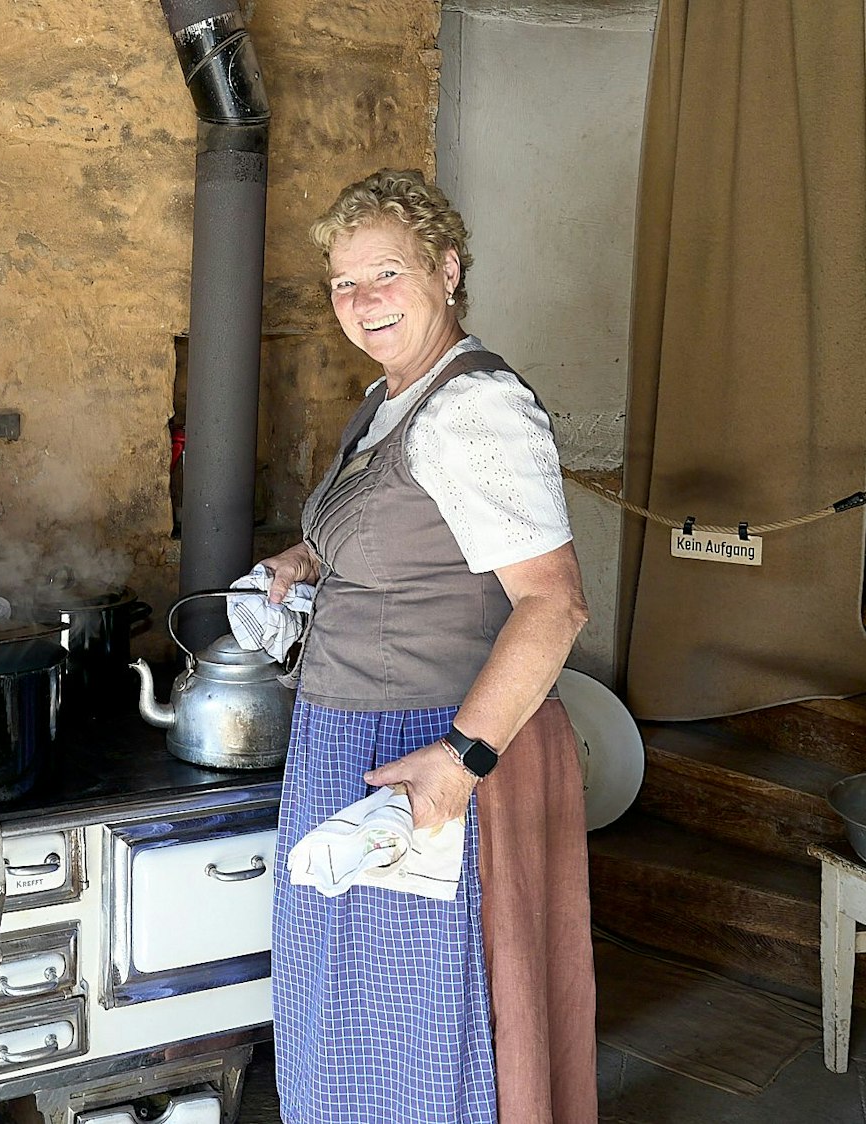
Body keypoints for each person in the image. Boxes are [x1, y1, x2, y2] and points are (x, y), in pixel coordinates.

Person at [259, 169, 596, 1124]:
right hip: (352, 740)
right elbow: (407, 534)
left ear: (446, 271)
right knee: (351, 1003)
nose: (361, 302)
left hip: (434, 746)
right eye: (341, 283)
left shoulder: (474, 410)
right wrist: (303, 564)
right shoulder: (391, 398)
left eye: (385, 275)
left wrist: (458, 761)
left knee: (415, 1017)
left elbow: (553, 606)